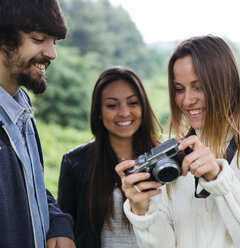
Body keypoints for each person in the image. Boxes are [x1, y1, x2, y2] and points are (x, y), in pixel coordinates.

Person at [115, 35, 240, 248]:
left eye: (198, 87)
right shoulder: (175, 155)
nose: (186, 100)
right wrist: (142, 210)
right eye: (179, 89)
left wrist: (220, 180)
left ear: (225, 83)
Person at [57, 67, 162, 248]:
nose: (124, 112)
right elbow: (65, 227)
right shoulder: (75, 162)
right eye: (112, 105)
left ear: (144, 106)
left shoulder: (164, 159)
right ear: (99, 111)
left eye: (133, 103)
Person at [0, 0, 75, 247]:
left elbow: (30, 190)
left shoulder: (22, 110)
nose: (52, 53)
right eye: (38, 39)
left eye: (53, 42)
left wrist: (57, 223)